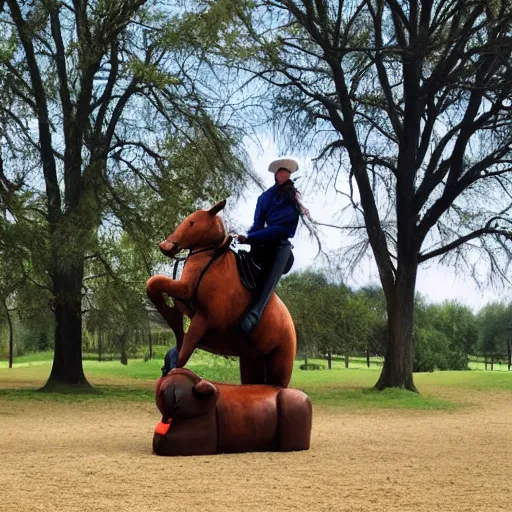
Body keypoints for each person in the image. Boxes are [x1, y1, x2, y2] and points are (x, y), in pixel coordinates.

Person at [236, 157, 310, 334]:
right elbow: (257, 224)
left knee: (283, 251)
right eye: (281, 171)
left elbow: (285, 229)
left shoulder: (293, 197)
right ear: (276, 174)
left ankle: (255, 313)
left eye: (287, 172)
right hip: (262, 246)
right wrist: (246, 238)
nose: (284, 174)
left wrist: (251, 237)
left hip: (280, 249)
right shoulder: (264, 198)